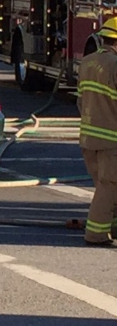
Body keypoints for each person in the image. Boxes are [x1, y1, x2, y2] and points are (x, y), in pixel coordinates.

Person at [76, 18, 117, 246]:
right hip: (112, 141)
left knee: (108, 187)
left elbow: (81, 101)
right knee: (108, 188)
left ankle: (113, 226)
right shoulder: (115, 65)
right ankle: (96, 234)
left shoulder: (88, 62)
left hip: (89, 139)